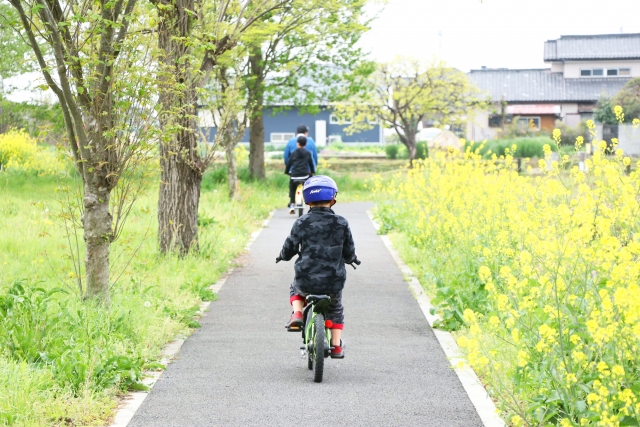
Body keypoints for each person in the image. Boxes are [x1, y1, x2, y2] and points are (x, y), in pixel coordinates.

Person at [277, 175, 357, 359]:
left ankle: (297, 313)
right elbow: (349, 250)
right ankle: (336, 346)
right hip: (333, 280)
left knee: (295, 287)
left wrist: (283, 256)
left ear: (306, 200)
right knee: (335, 309)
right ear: (333, 199)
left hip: (306, 278)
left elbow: (290, 246)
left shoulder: (301, 222)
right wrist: (351, 258)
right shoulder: (342, 223)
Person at [284, 136, 315, 213]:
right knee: (308, 186)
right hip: (305, 175)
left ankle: (292, 204)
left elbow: (289, 164)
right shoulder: (308, 153)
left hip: (294, 175)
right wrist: (312, 171)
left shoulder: (294, 153)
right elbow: (311, 164)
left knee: (292, 188)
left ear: (297, 143)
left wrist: (287, 172)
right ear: (306, 144)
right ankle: (310, 200)